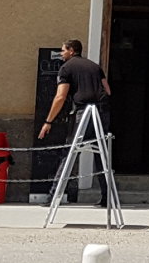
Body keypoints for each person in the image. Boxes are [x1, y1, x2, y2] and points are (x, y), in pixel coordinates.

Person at [38, 40, 109, 202]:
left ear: (71, 51)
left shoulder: (66, 68)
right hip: (102, 111)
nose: (61, 53)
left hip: (84, 112)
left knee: (69, 152)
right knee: (102, 154)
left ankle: (53, 196)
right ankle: (107, 197)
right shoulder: (95, 67)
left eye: (63, 50)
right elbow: (107, 90)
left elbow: (60, 96)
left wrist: (48, 121)